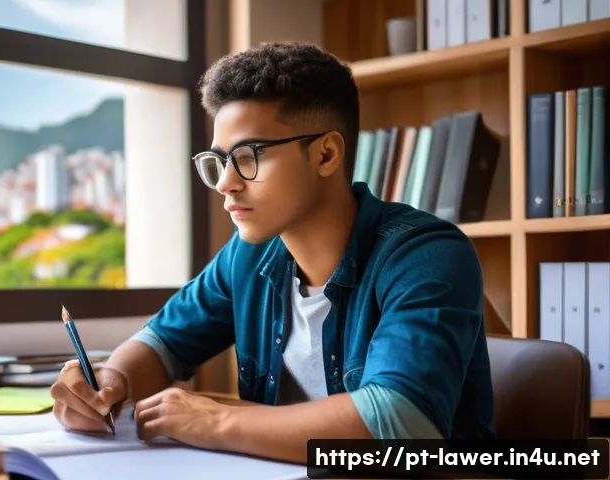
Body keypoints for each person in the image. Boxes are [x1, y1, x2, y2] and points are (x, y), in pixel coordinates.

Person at [50, 41, 495, 464]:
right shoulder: (250, 254)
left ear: (325, 154)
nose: (225, 182)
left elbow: (400, 426)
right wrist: (111, 381)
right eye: (219, 161)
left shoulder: (427, 254)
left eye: (248, 155)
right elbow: (162, 342)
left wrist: (220, 419)